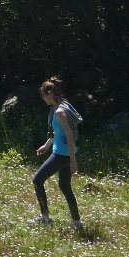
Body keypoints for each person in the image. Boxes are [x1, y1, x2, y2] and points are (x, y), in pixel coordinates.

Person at [32, 78, 83, 228]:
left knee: (37, 181)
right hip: (64, 153)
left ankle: (45, 217)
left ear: (50, 93)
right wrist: (47, 145)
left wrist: (73, 161)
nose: (42, 98)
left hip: (62, 155)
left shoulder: (60, 112)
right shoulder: (60, 106)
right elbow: (57, 132)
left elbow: (70, 137)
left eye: (43, 95)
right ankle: (77, 221)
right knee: (65, 186)